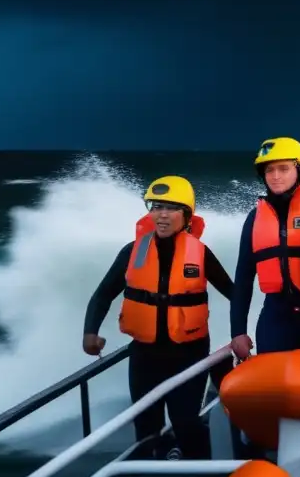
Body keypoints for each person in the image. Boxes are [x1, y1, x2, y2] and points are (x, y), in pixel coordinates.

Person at [82, 175, 234, 460]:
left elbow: (233, 294)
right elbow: (102, 295)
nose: (162, 215)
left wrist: (240, 334)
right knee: (146, 428)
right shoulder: (132, 251)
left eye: (171, 208)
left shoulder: (200, 253)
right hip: (144, 355)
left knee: (186, 423)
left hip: (189, 353)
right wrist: (90, 332)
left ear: (187, 214)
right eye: (156, 207)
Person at [230, 137, 300, 360]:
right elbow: (243, 278)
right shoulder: (255, 219)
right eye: (269, 170)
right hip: (275, 317)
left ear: (299, 170)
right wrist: (238, 332)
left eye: (283, 169)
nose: (276, 176)